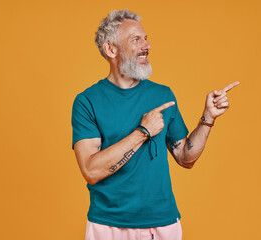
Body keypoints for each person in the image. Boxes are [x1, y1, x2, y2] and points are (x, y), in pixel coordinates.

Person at [71, 9, 239, 240]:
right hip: (108, 225)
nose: (147, 45)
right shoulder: (87, 101)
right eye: (136, 39)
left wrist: (208, 118)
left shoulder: (162, 95)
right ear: (111, 49)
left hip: (162, 223)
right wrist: (143, 132)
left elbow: (185, 158)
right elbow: (91, 171)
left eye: (146, 38)